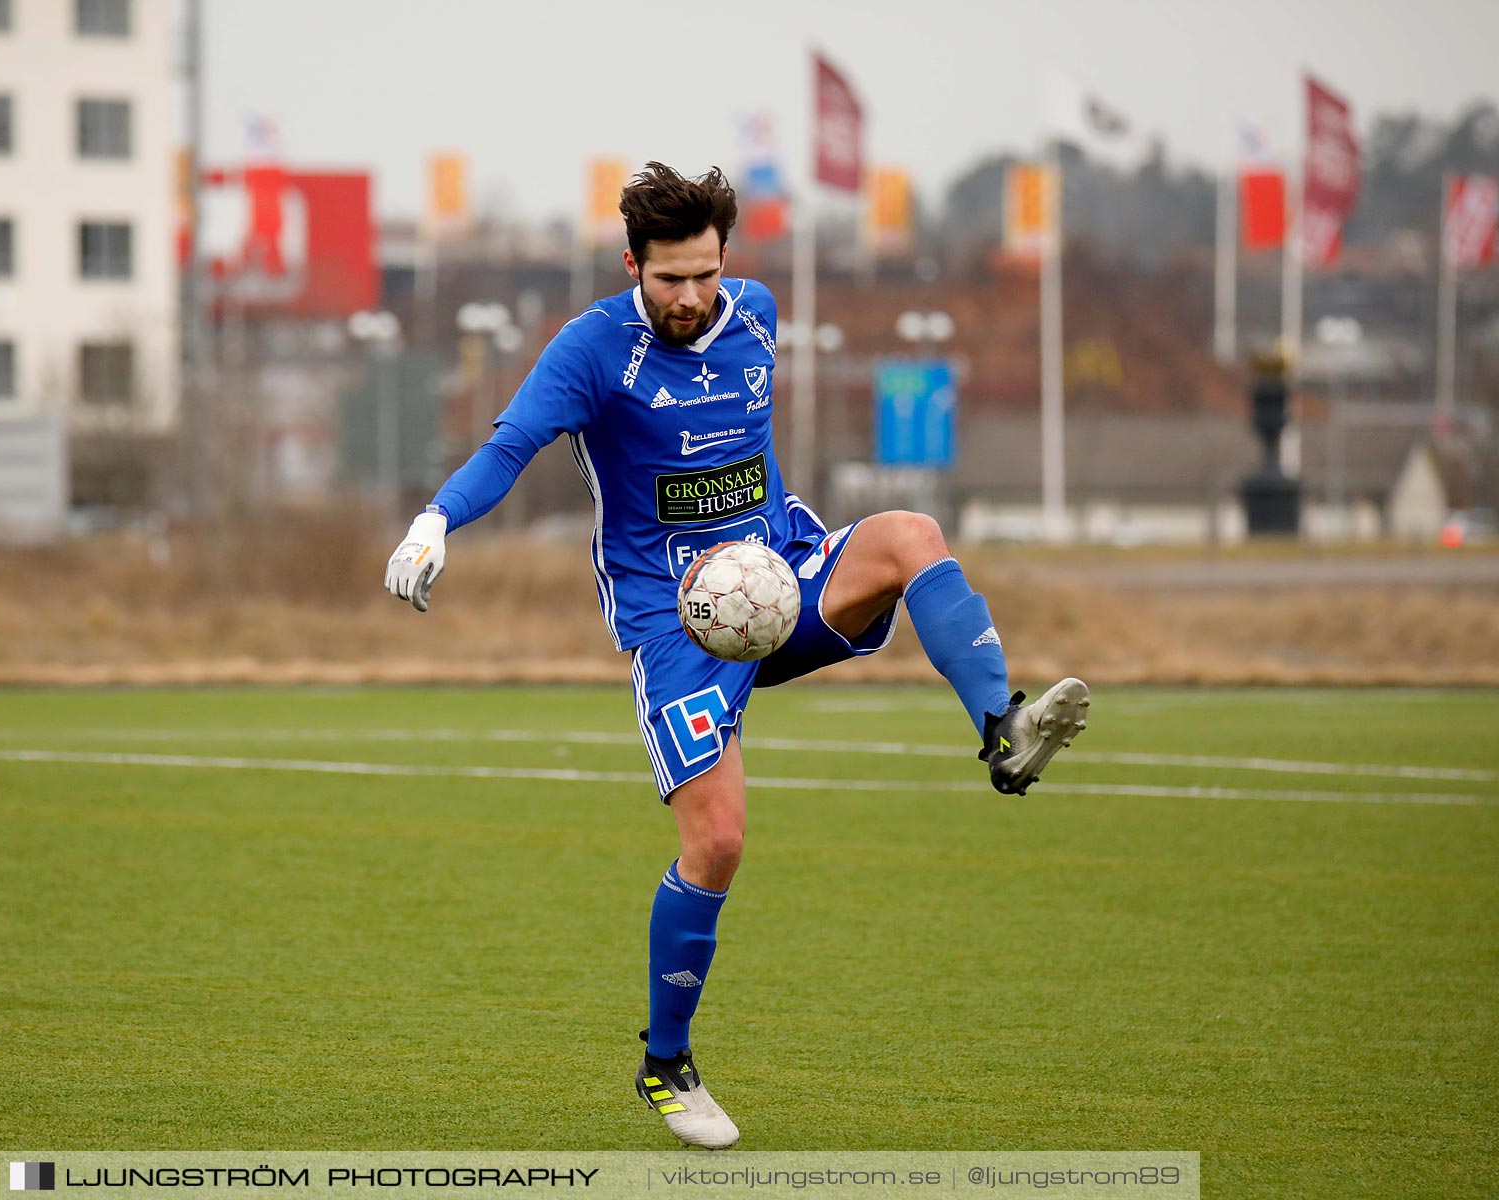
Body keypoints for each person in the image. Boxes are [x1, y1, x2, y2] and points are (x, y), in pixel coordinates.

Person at [384, 162, 1088, 1150]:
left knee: (910, 535)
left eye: (705, 274)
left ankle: (1003, 729)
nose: (691, 297)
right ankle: (665, 1063)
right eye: (669, 279)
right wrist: (434, 520)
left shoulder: (753, 311)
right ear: (634, 265)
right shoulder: (592, 350)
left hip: (780, 580)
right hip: (676, 624)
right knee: (716, 844)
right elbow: (510, 446)